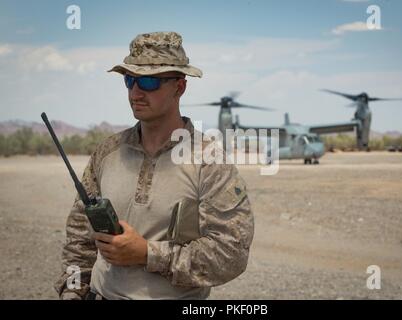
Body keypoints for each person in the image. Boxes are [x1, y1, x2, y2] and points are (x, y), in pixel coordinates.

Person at [54, 31, 254, 300]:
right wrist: (72, 289)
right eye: (129, 80)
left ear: (179, 87)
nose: (136, 92)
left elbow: (231, 254)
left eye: (148, 82)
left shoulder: (209, 163)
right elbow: (80, 236)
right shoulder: (107, 153)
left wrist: (148, 253)